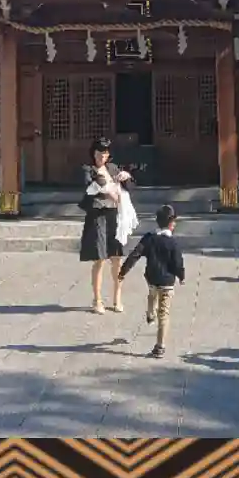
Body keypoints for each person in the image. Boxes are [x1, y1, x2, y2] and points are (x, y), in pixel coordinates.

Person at [119, 204, 187, 358]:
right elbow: (178, 263)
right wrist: (181, 276)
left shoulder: (149, 238)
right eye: (174, 221)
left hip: (152, 278)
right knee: (164, 313)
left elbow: (135, 254)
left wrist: (123, 271)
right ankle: (160, 346)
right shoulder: (173, 243)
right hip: (167, 282)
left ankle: (150, 313)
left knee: (152, 294)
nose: (175, 224)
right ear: (170, 223)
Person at [80, 137, 132, 314]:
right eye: (99, 153)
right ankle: (97, 300)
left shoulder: (113, 168)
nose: (102, 156)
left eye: (105, 153)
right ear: (93, 153)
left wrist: (126, 176)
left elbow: (129, 185)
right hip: (98, 217)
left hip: (114, 217)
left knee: (117, 258)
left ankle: (117, 298)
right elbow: (91, 187)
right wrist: (108, 190)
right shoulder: (88, 169)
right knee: (100, 259)